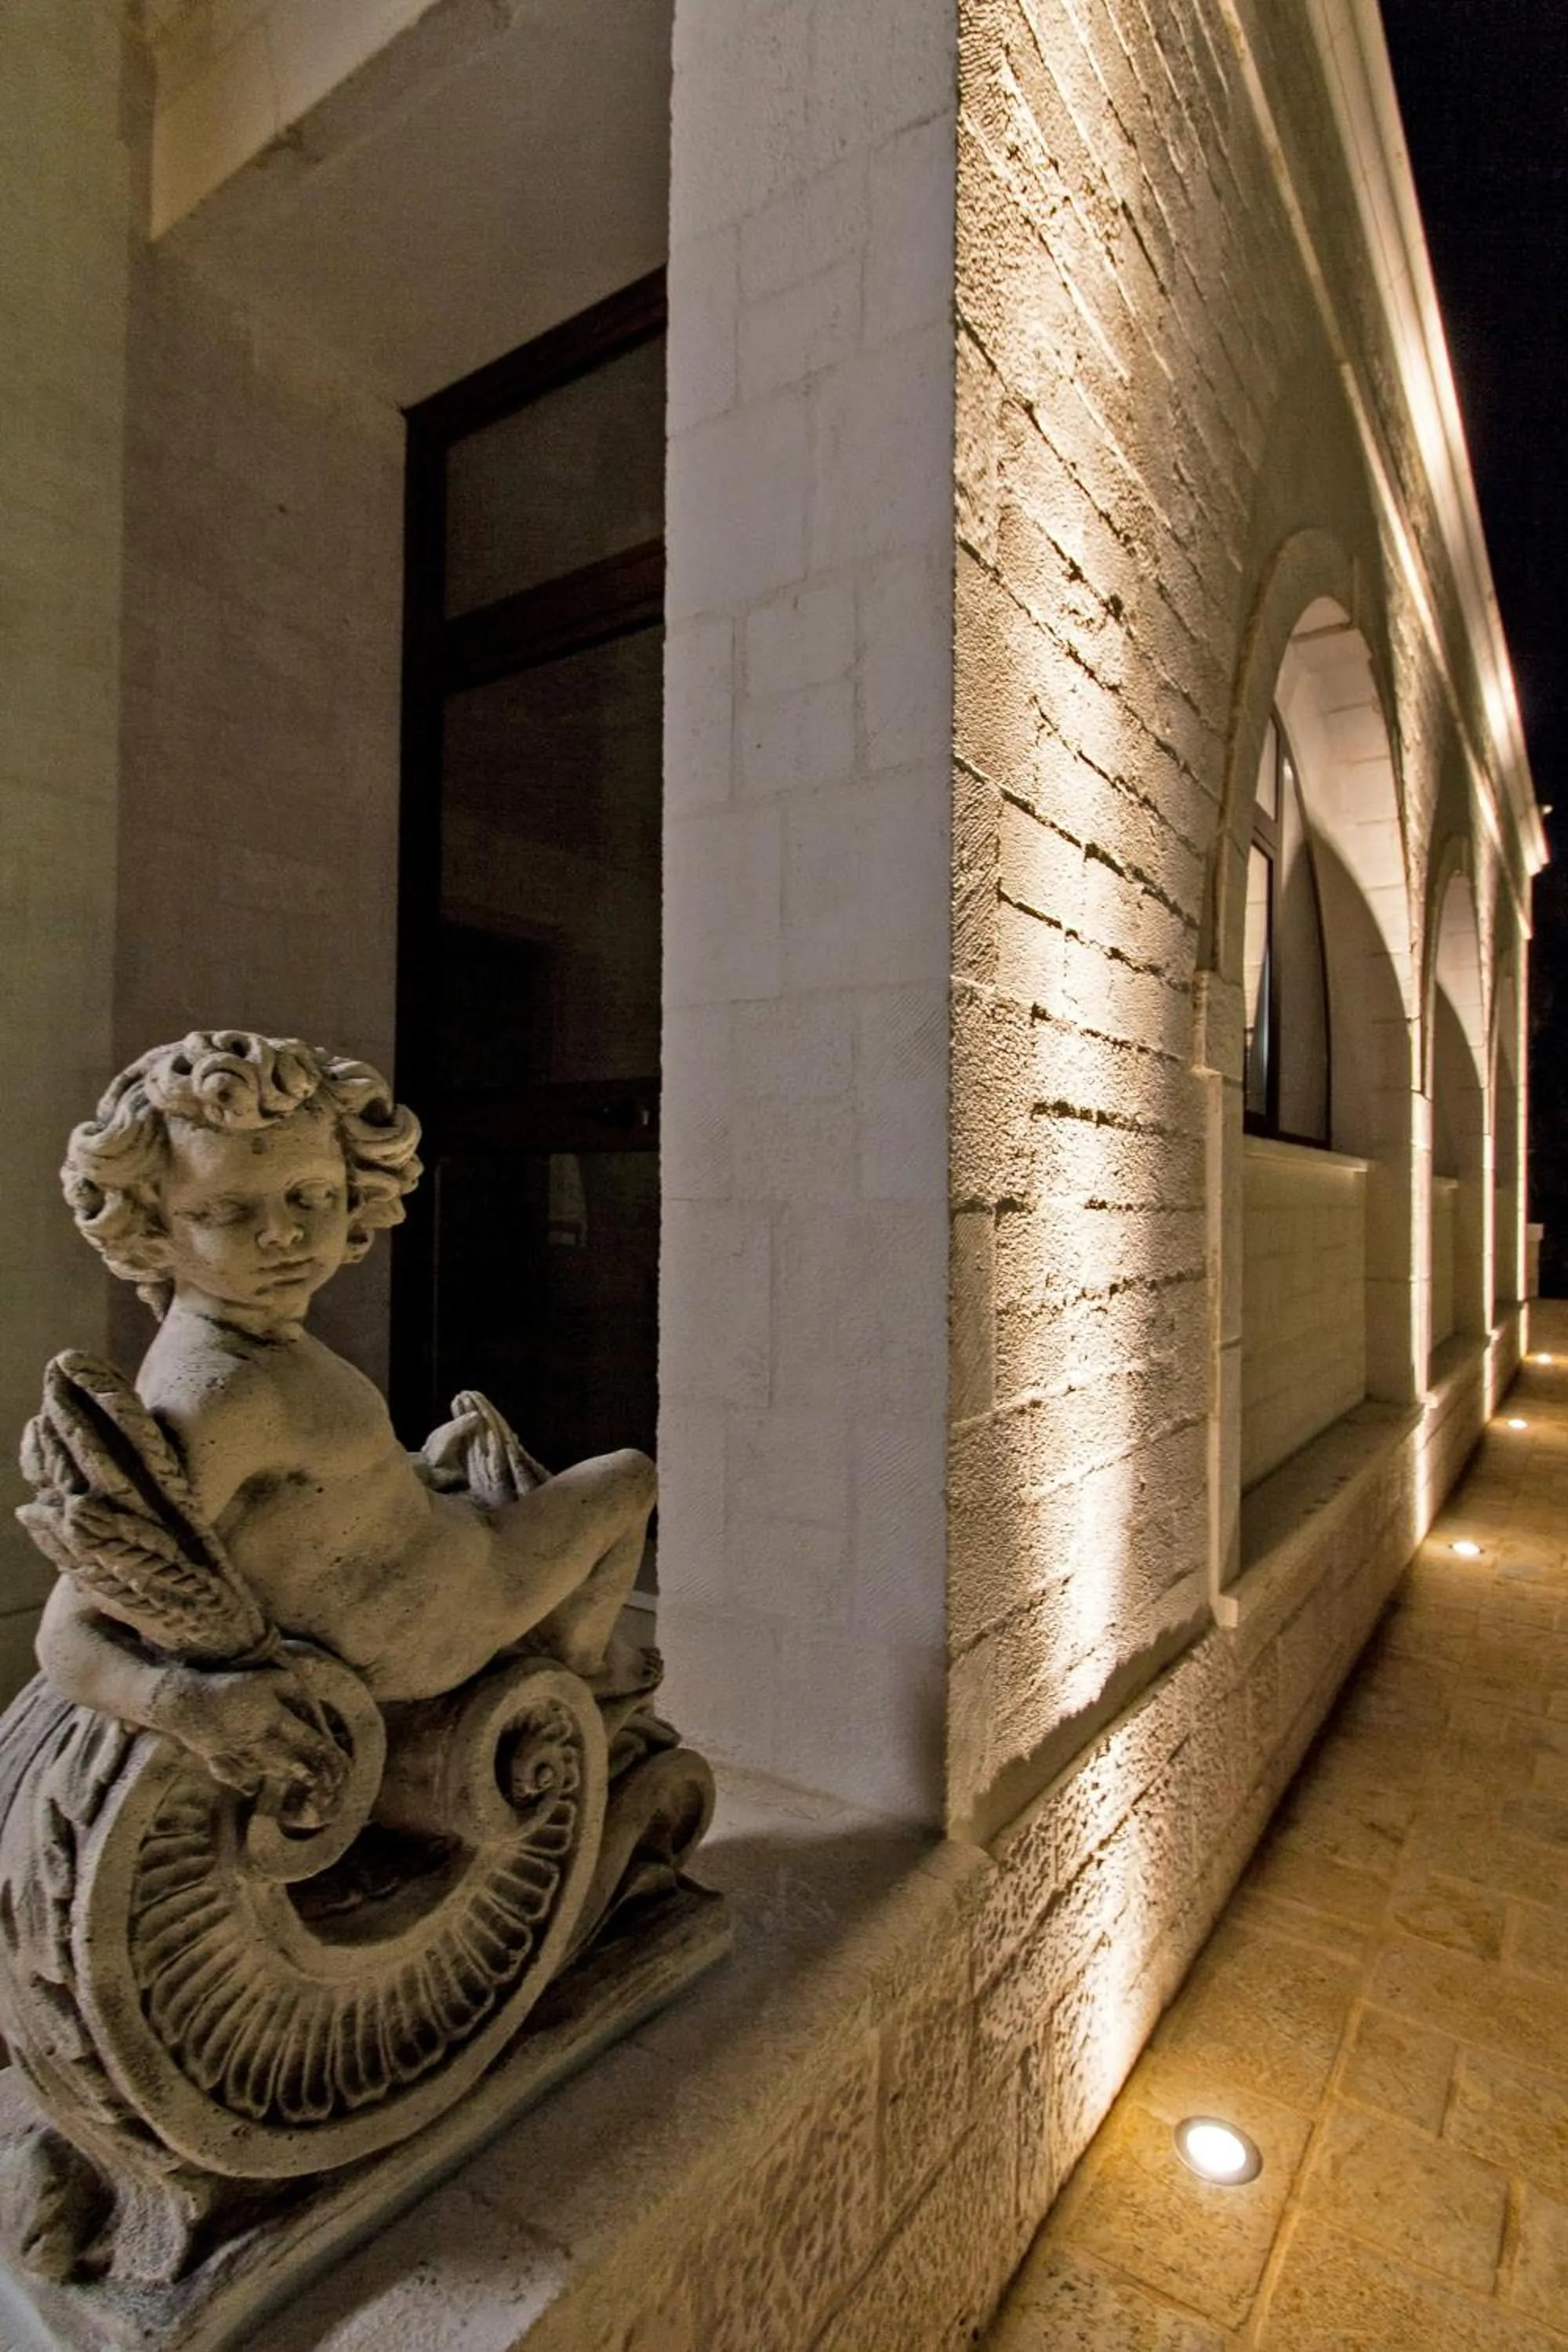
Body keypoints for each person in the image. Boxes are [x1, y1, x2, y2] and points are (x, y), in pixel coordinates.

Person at [34, 1029, 655, 1823]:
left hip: (433, 1568)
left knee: (466, 1454)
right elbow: (67, 1635)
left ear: (357, 1191)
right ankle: (573, 1690)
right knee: (626, 1478)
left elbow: (311, 1495)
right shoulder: (221, 1395)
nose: (282, 1234)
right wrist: (185, 1701)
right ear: (153, 1227)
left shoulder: (256, 1344)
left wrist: (417, 1474)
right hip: (443, 1628)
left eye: (311, 1197)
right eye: (226, 1209)